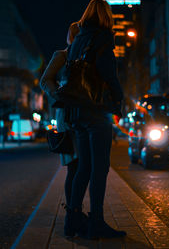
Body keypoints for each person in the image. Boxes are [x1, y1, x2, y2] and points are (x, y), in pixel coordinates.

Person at [64, 0, 126, 239]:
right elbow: (108, 73)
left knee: (84, 167)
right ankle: (96, 223)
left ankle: (73, 219)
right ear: (105, 16)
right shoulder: (103, 37)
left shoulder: (78, 39)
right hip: (96, 110)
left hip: (77, 111)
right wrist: (118, 99)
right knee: (100, 168)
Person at [40, 22, 88, 236]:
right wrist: (59, 95)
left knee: (80, 166)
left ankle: (75, 212)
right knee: (73, 166)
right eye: (77, 35)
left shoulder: (85, 56)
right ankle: (72, 214)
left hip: (81, 114)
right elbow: (45, 79)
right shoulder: (62, 55)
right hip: (67, 116)